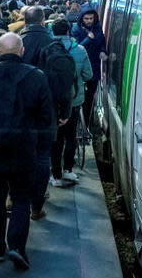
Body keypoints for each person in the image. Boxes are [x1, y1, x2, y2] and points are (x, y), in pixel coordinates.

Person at [0, 33, 53, 270]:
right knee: (21, 198)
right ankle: (17, 246)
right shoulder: (36, 76)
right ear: (22, 51)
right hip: (23, 148)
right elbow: (46, 117)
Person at [19, 6, 69, 218]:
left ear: (24, 20)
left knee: (19, 156)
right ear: (43, 22)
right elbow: (63, 81)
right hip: (45, 111)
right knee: (41, 158)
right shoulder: (53, 46)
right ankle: (36, 204)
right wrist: (64, 111)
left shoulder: (14, 43)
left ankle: (17, 197)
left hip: (17, 111)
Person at [49, 19, 92, 186]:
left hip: (53, 102)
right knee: (71, 136)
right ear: (69, 31)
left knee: (56, 139)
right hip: (75, 100)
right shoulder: (80, 50)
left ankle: (56, 175)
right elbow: (88, 75)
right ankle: (68, 170)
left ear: (52, 31)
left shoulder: (47, 50)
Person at [71, 9, 106, 124]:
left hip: (94, 67)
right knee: (78, 97)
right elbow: (76, 47)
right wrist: (88, 39)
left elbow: (102, 42)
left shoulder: (98, 28)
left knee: (90, 97)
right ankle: (76, 122)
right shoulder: (76, 29)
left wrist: (103, 51)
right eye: (86, 19)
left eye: (91, 18)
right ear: (82, 18)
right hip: (80, 69)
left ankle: (87, 121)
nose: (89, 21)